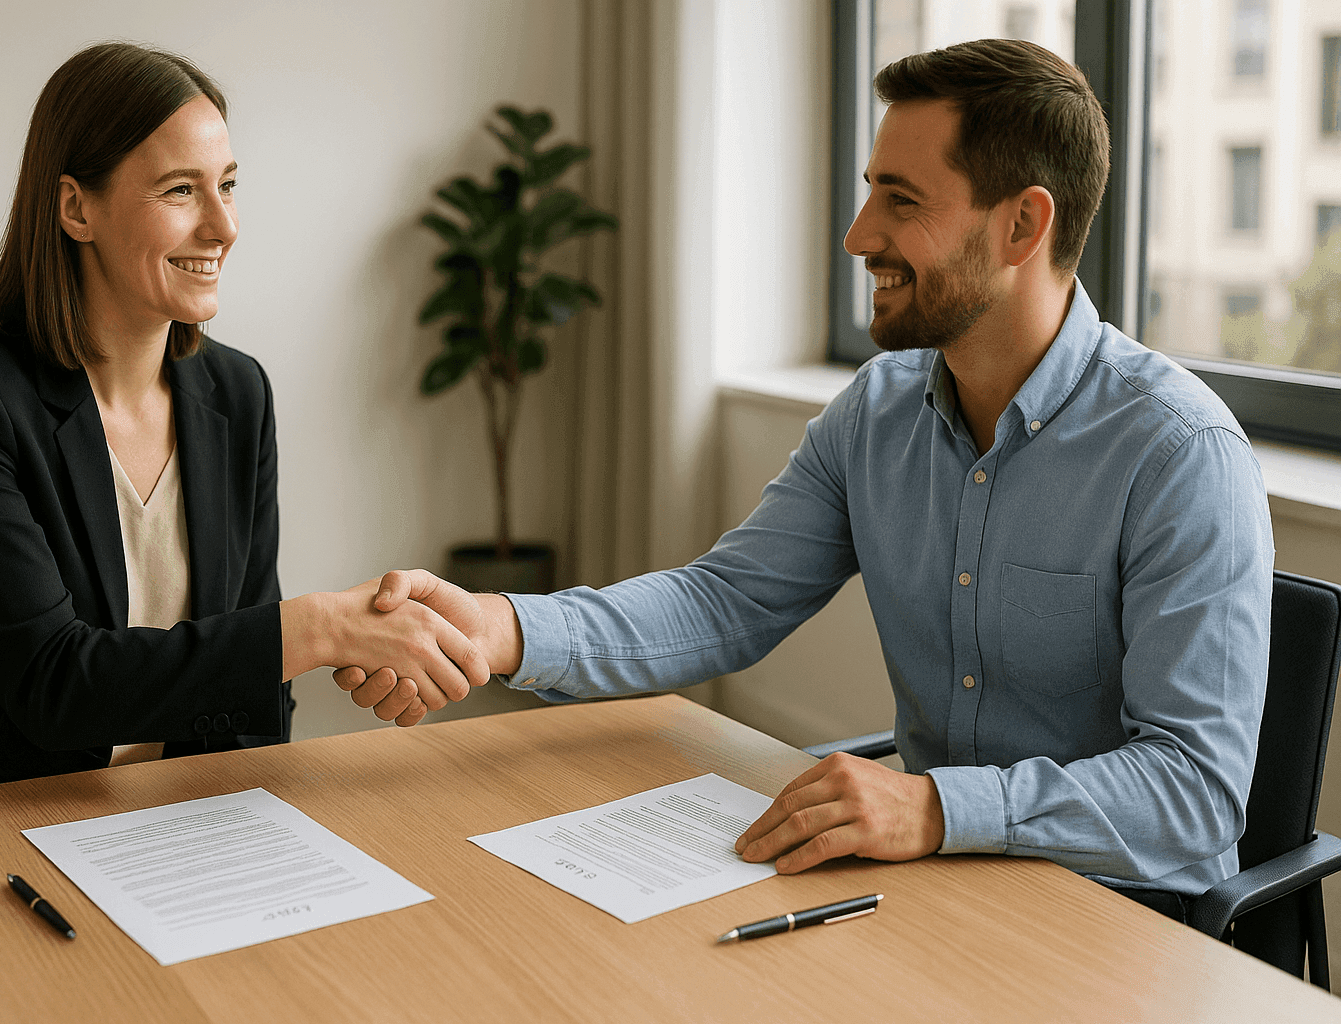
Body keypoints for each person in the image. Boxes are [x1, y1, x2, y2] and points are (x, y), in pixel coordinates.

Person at [340, 38, 1274, 918]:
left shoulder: (1180, 455)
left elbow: (1193, 794)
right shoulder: (877, 412)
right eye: (870, 192)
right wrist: (500, 628)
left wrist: (936, 810)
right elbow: (724, 602)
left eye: (900, 201)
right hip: (935, 895)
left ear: (1023, 223)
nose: (858, 235)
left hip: (1124, 924)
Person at [0, 42, 484, 800]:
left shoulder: (237, 392)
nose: (223, 226)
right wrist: (318, 628)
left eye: (228, 185)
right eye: (181, 190)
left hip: (164, 819)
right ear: (76, 208)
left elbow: (256, 689)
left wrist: (251, 829)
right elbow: (55, 685)